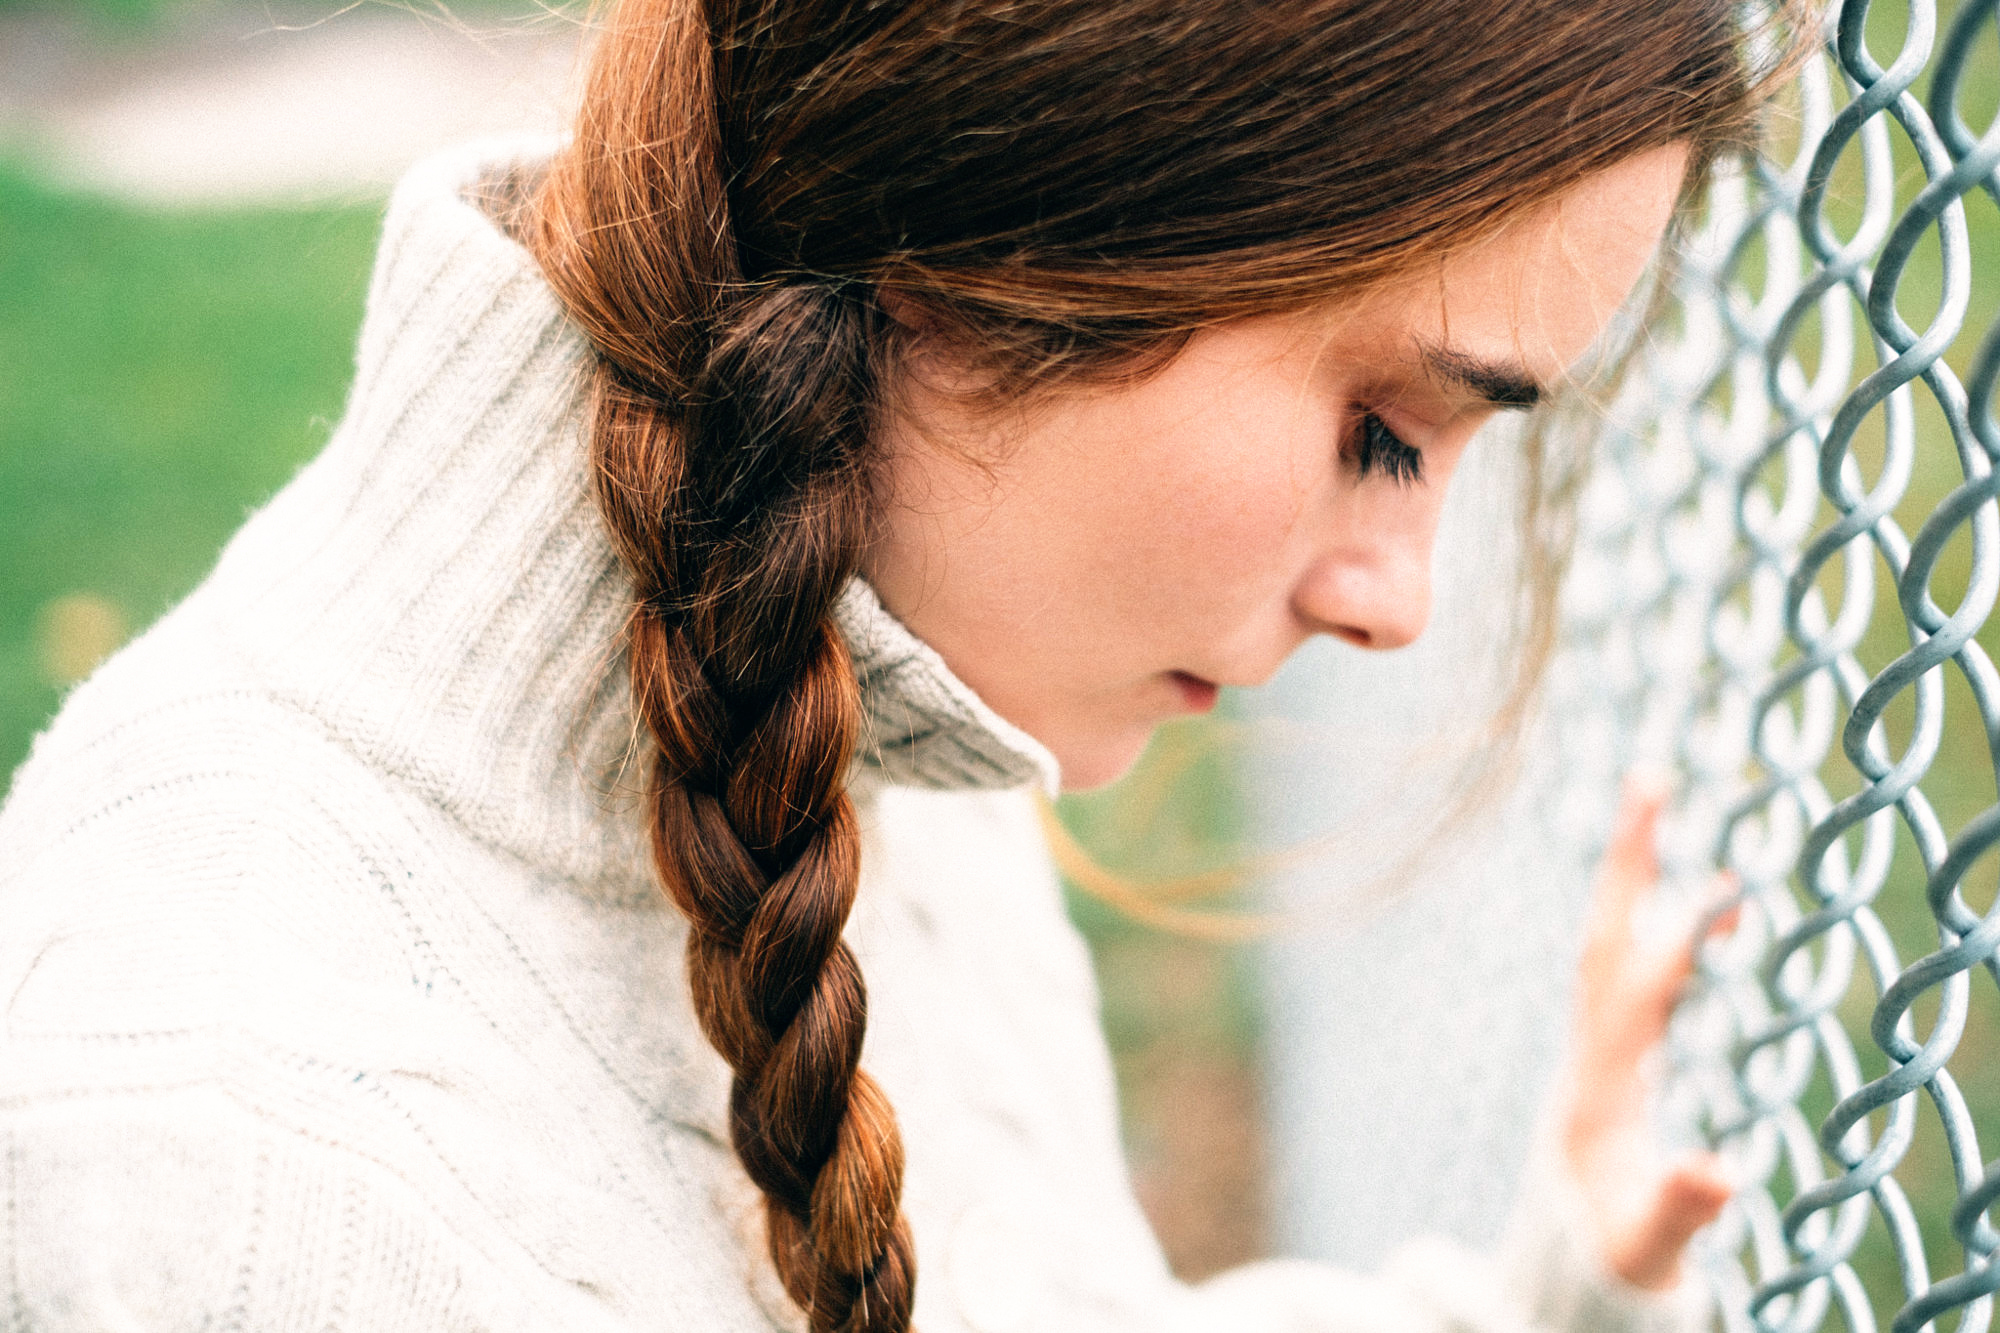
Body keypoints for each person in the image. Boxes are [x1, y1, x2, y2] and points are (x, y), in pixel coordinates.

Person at [0, 0, 1802, 1328]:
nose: (1399, 603)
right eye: (1389, 431)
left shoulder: (851, 684)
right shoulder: (207, 1168)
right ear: (1019, 224)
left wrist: (1540, 1292)